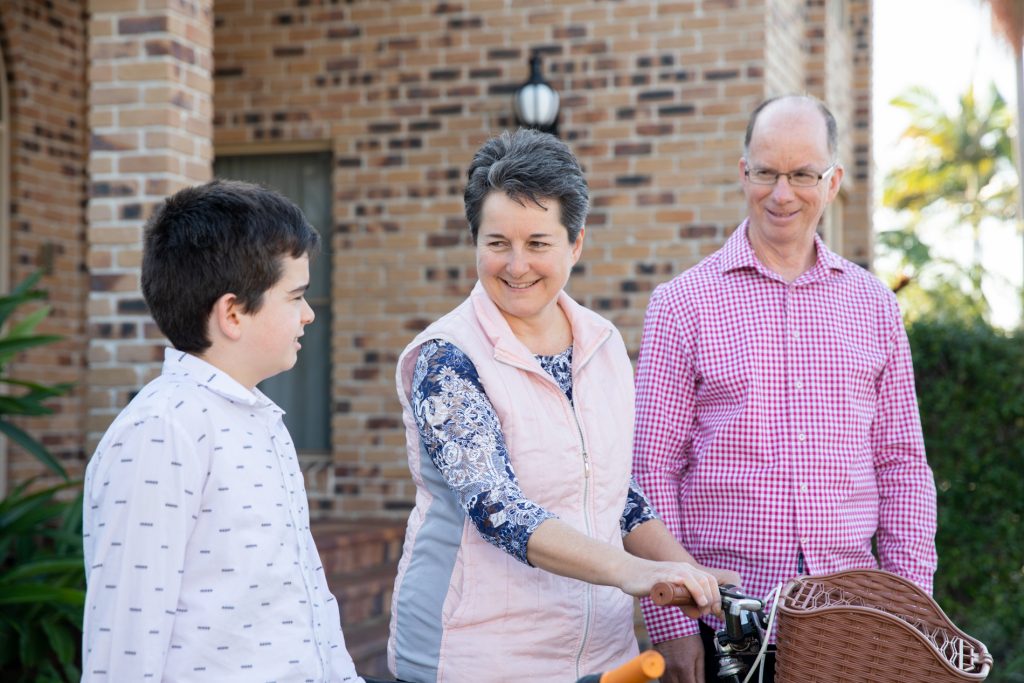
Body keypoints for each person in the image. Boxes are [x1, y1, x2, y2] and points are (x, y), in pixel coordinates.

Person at [388, 129, 738, 683]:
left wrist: (686, 574)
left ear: (576, 244)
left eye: (538, 243)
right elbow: (497, 509)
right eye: (497, 242)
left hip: (603, 655)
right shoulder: (449, 358)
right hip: (474, 658)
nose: (516, 264)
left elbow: (612, 492)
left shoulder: (601, 344)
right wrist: (635, 573)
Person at [633, 94, 938, 683]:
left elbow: (902, 465)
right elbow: (651, 472)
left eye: (803, 174)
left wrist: (912, 608)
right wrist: (669, 624)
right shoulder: (681, 306)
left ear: (833, 181)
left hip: (858, 620)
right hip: (722, 620)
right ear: (742, 171)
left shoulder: (874, 306)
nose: (782, 193)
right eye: (767, 172)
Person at [81, 179, 365, 682]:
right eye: (295, 296)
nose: (309, 314)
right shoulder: (162, 431)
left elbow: (304, 594)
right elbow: (125, 643)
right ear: (233, 313)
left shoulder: (262, 419)